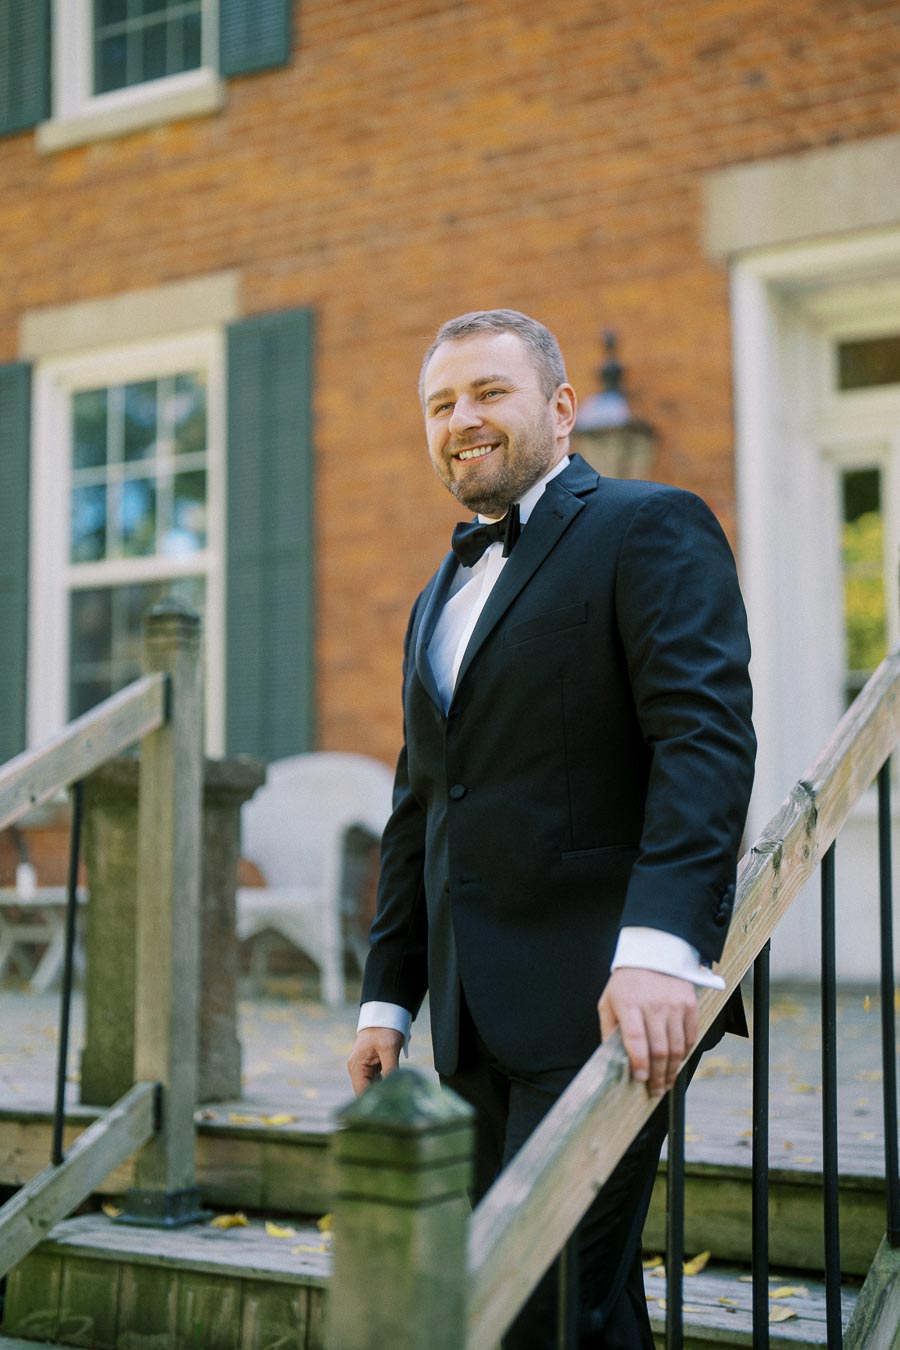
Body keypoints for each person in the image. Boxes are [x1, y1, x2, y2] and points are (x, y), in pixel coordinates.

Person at [347, 309, 755, 1348]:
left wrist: (666, 951)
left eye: (489, 392)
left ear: (562, 409)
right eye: (441, 404)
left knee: (537, 1297)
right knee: (583, 1307)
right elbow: (420, 805)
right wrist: (387, 997)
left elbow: (702, 743)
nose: (461, 419)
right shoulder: (436, 593)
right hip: (468, 1017)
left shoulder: (649, 525)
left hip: (611, 1003)